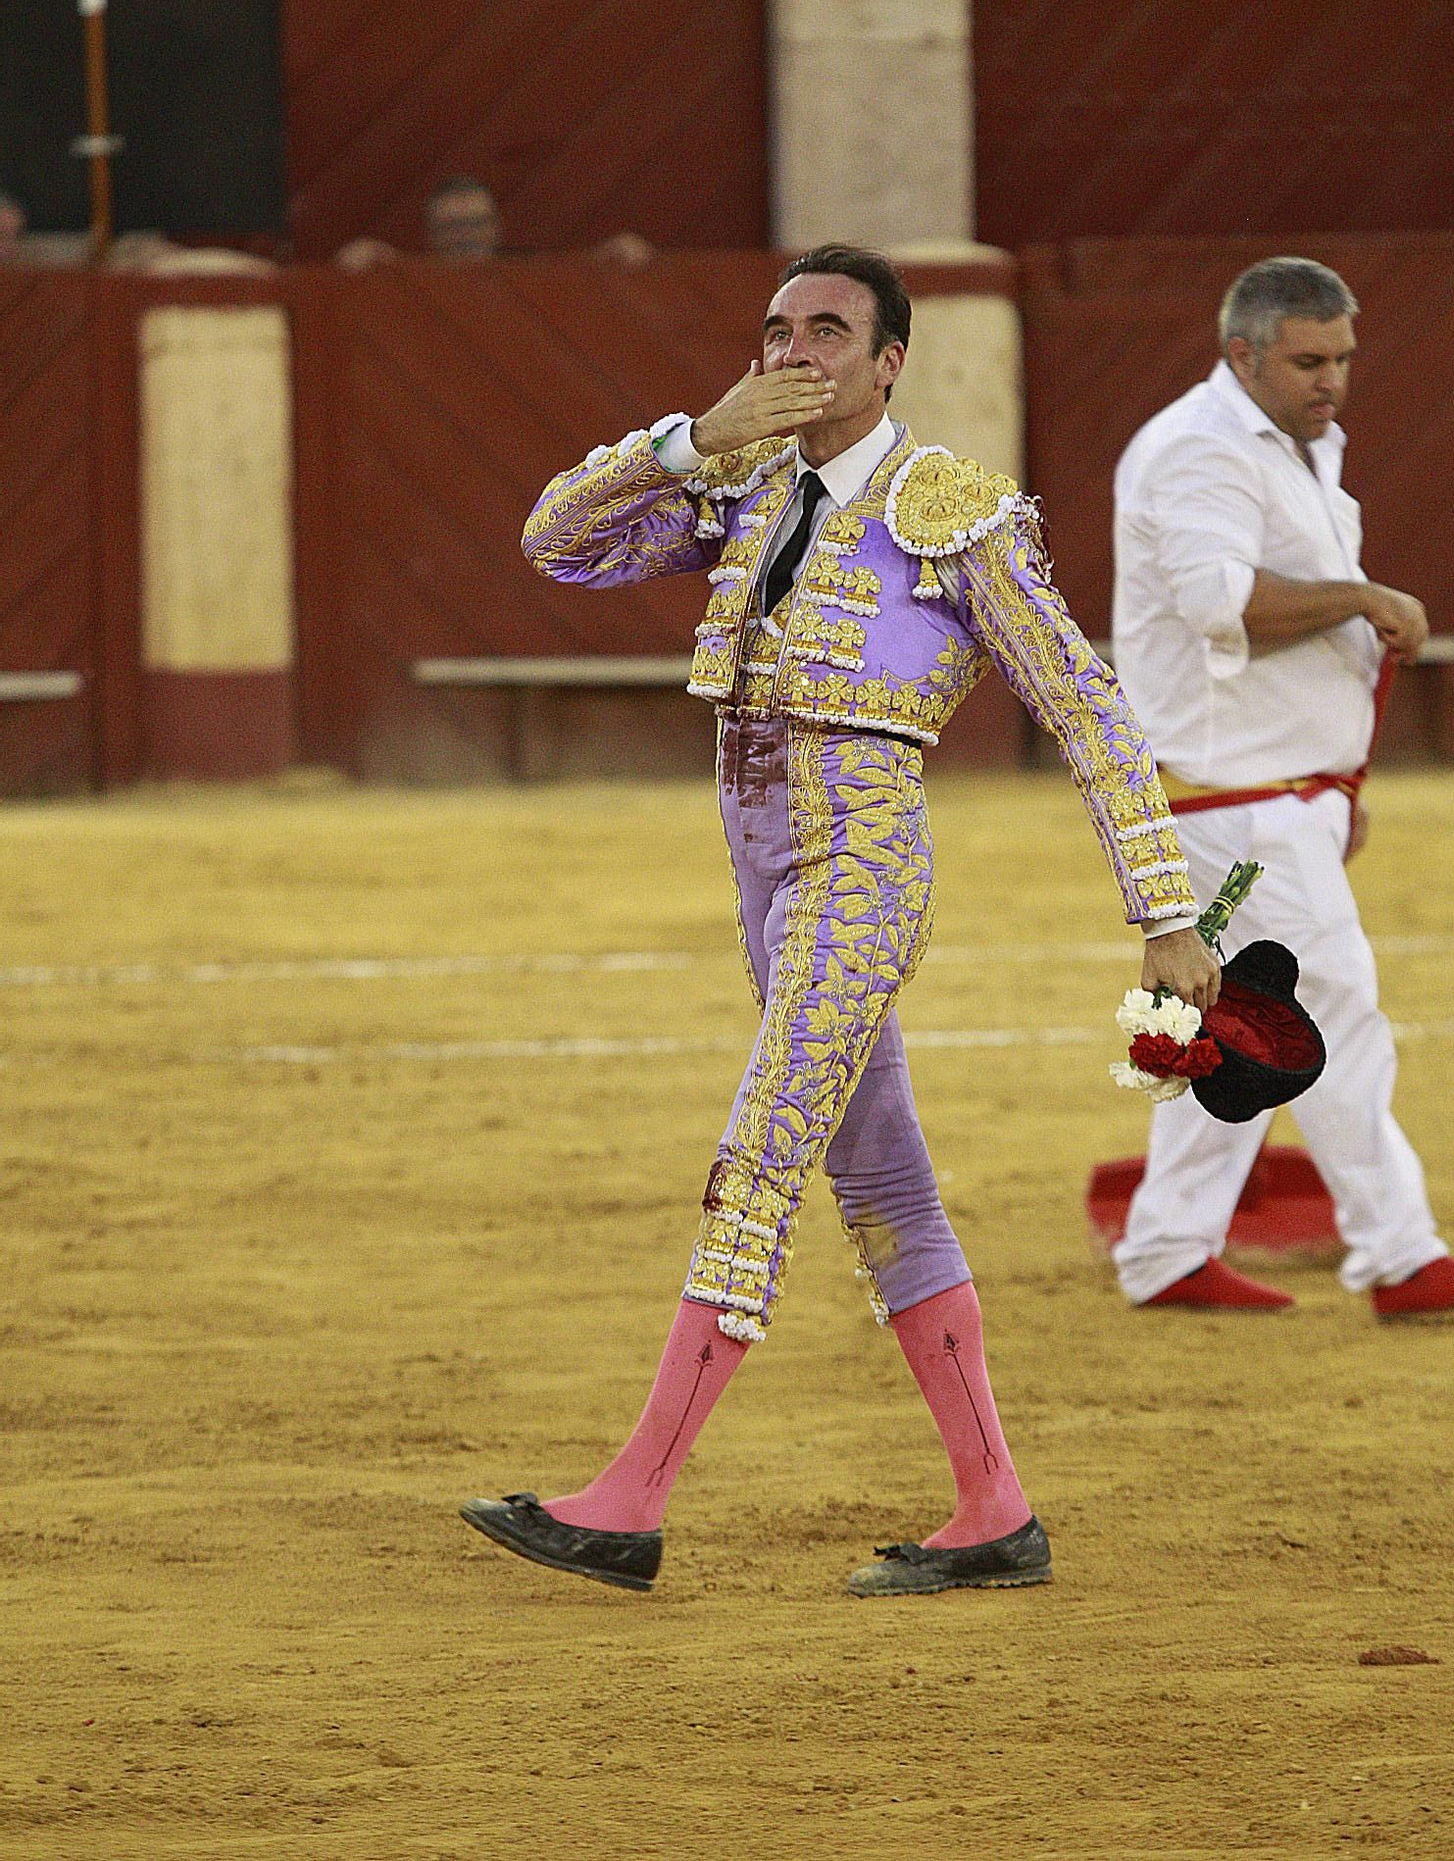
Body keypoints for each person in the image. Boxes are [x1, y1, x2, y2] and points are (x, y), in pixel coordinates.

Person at [461, 243, 1214, 1597]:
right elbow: (552, 543)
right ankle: (993, 1507)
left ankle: (632, 1496)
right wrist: (688, 443)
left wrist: (1163, 909)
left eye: (826, 331)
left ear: (890, 363)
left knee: (760, 1153)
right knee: (883, 1187)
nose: (792, 352)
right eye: (774, 330)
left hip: (858, 869)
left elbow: (1089, 711)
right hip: (761, 874)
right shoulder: (739, 486)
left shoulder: (958, 512)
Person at [1109, 257, 1454, 1320]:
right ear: (1241, 352)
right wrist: (1362, 595)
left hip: (1269, 794)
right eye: (1306, 360)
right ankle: (1398, 1252)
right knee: (1331, 1008)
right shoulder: (1198, 450)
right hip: (1227, 802)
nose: (1330, 379)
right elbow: (1219, 605)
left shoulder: (1300, 444)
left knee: (1239, 1013)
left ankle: (1164, 1249)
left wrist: (1332, 786)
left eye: (1340, 358)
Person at [335, 176, 654, 269]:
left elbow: (583, 273)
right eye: (452, 228)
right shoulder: (412, 281)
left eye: (475, 224)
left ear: (495, 228)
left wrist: (615, 254)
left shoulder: (532, 274)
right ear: (431, 235)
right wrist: (355, 264)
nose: (465, 237)